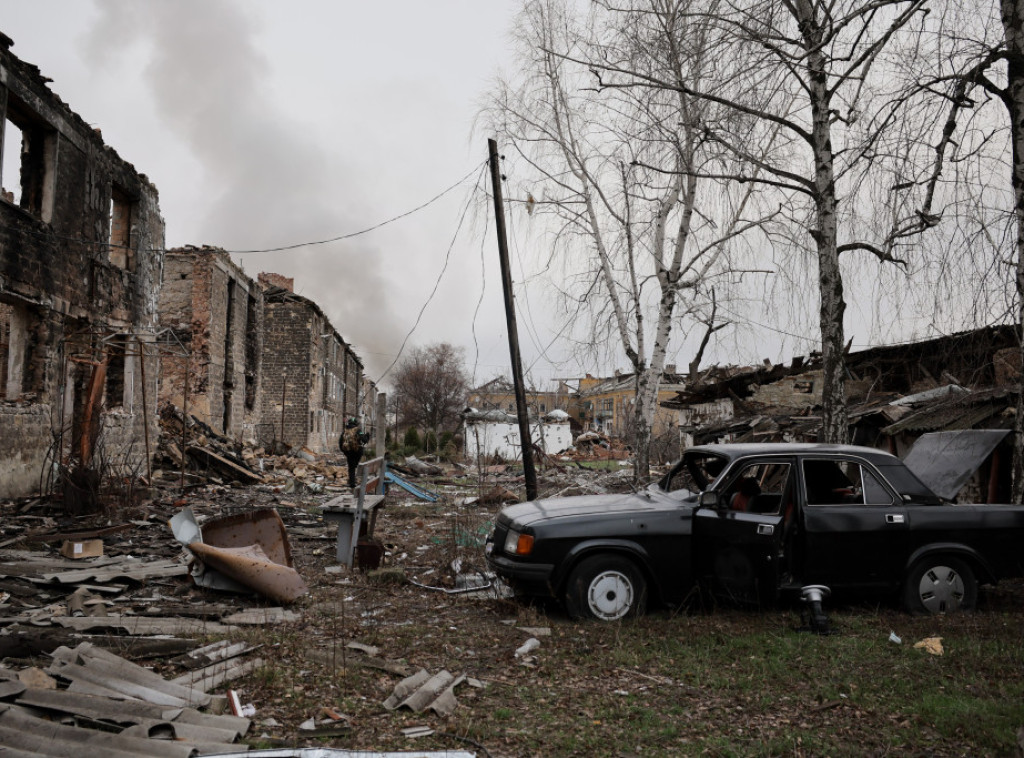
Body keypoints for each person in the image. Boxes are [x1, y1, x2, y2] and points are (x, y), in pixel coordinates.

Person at [340, 418, 368, 488]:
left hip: (349, 452)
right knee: (354, 465)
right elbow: (364, 440)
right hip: (357, 451)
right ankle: (354, 479)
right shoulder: (358, 430)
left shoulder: (345, 431)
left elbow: (340, 443)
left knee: (351, 468)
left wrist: (345, 452)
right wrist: (367, 436)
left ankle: (352, 483)